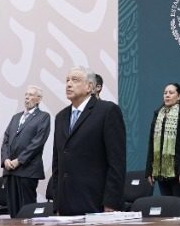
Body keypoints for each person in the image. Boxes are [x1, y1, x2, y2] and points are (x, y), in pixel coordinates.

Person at [47, 67, 127, 214]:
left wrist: (111, 202)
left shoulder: (107, 111)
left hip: (95, 203)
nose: (69, 84)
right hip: (65, 205)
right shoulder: (61, 117)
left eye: (75, 80)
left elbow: (117, 162)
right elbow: (57, 163)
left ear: (90, 86)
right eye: (67, 80)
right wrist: (57, 204)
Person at [2, 85, 51, 215]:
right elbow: (6, 140)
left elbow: (37, 143)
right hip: (10, 170)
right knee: (12, 209)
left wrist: (19, 160)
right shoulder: (16, 117)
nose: (27, 97)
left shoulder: (43, 117)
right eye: (26, 94)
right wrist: (5, 159)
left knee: (26, 209)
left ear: (39, 99)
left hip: (27, 170)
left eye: (31, 95)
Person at [145, 82, 180, 200]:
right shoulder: (158, 113)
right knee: (167, 206)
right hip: (161, 170)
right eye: (165, 93)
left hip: (178, 171)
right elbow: (151, 143)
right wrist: (149, 170)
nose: (167, 95)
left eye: (171, 93)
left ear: (179, 96)